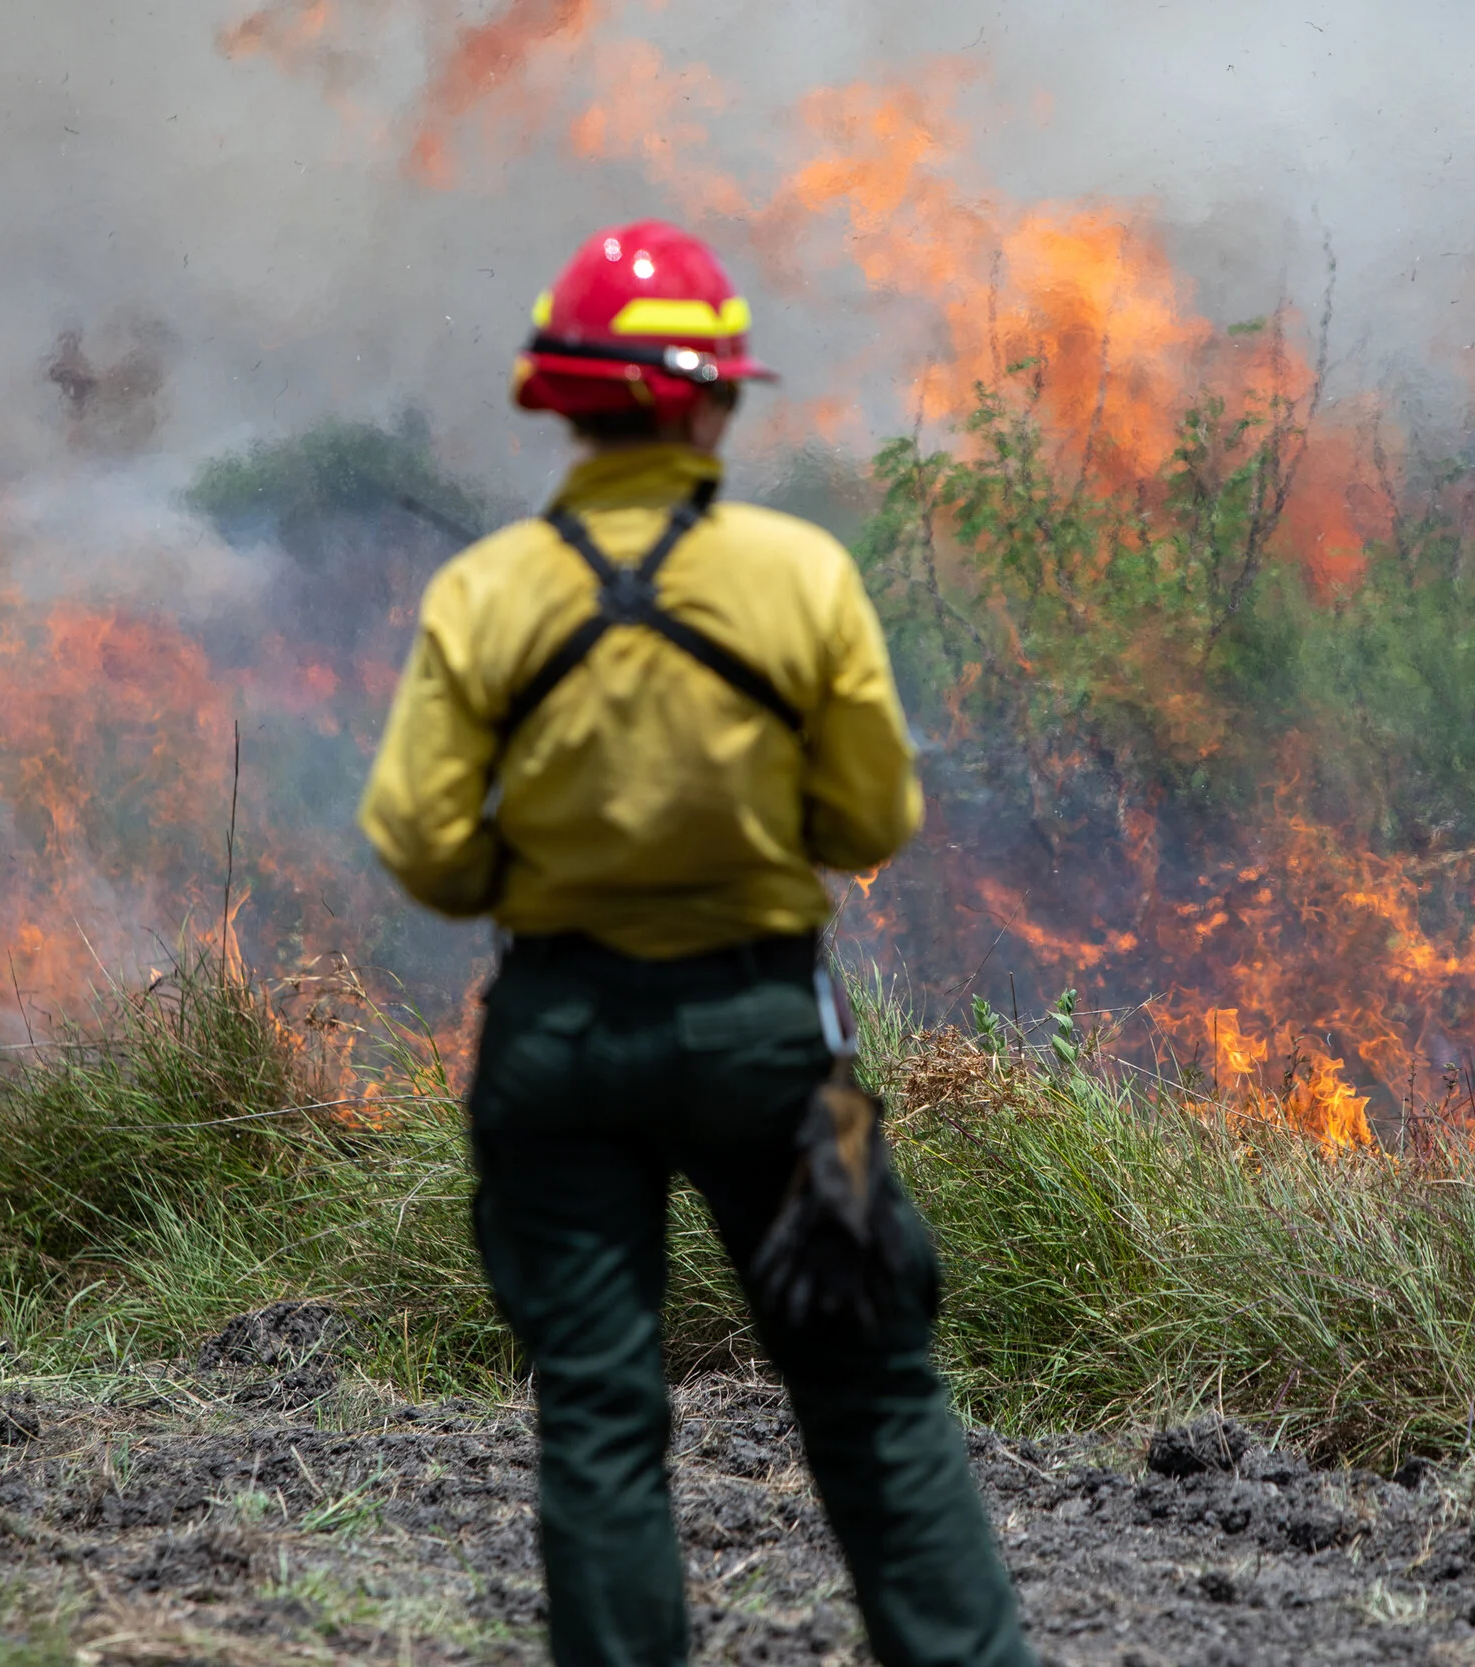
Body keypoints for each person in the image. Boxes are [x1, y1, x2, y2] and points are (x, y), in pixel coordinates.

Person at [358, 221, 1033, 1667]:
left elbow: (417, 838)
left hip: (558, 1035)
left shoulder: (485, 592)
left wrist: (528, 871)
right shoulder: (799, 578)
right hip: (760, 1036)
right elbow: (872, 812)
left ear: (564, 398)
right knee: (868, 1387)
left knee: (597, 1409)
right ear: (713, 396)